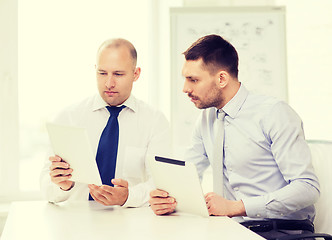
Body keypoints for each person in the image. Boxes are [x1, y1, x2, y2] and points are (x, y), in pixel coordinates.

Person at [149, 34, 320, 239]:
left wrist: (237, 207)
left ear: (222, 78)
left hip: (282, 231)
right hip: (231, 230)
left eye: (193, 80)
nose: (185, 89)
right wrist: (167, 198)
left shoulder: (274, 113)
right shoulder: (206, 118)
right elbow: (187, 173)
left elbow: (308, 188)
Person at [40, 38, 170, 207]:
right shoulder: (68, 118)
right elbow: (46, 186)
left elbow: (162, 185)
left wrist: (128, 197)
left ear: (136, 74)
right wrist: (63, 186)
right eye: (102, 73)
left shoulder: (154, 121)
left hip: (132, 225)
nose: (109, 83)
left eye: (118, 74)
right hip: (77, 225)